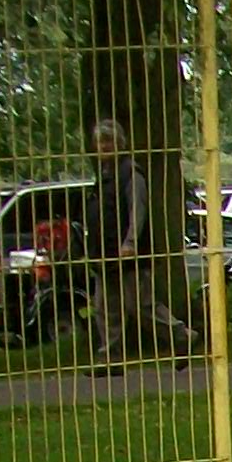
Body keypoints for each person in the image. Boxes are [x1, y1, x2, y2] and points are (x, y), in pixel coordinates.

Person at [83, 116, 153, 368]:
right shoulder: (102, 177)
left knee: (140, 304)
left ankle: (181, 335)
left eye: (109, 141)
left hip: (127, 253)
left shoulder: (130, 174)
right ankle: (109, 356)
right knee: (104, 306)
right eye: (100, 142)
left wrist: (130, 242)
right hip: (104, 252)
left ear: (120, 144)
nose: (104, 147)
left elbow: (138, 211)